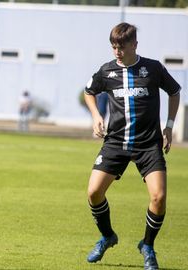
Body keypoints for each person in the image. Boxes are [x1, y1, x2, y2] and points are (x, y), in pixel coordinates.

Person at [84, 22, 180, 270]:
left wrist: (169, 125)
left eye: (121, 46)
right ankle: (107, 236)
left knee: (158, 198)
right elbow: (88, 92)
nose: (117, 51)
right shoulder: (106, 72)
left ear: (134, 45)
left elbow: (175, 91)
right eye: (113, 46)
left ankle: (147, 245)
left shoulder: (153, 68)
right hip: (116, 142)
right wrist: (96, 116)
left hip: (149, 144)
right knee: (94, 192)